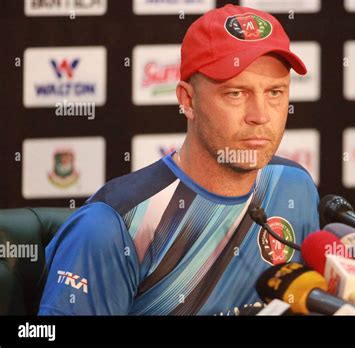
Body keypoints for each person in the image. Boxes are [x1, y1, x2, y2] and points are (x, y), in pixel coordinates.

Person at [38, 4, 320, 316]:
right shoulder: (111, 226)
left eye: (275, 93)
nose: (260, 116)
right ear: (188, 100)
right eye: (236, 94)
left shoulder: (294, 186)